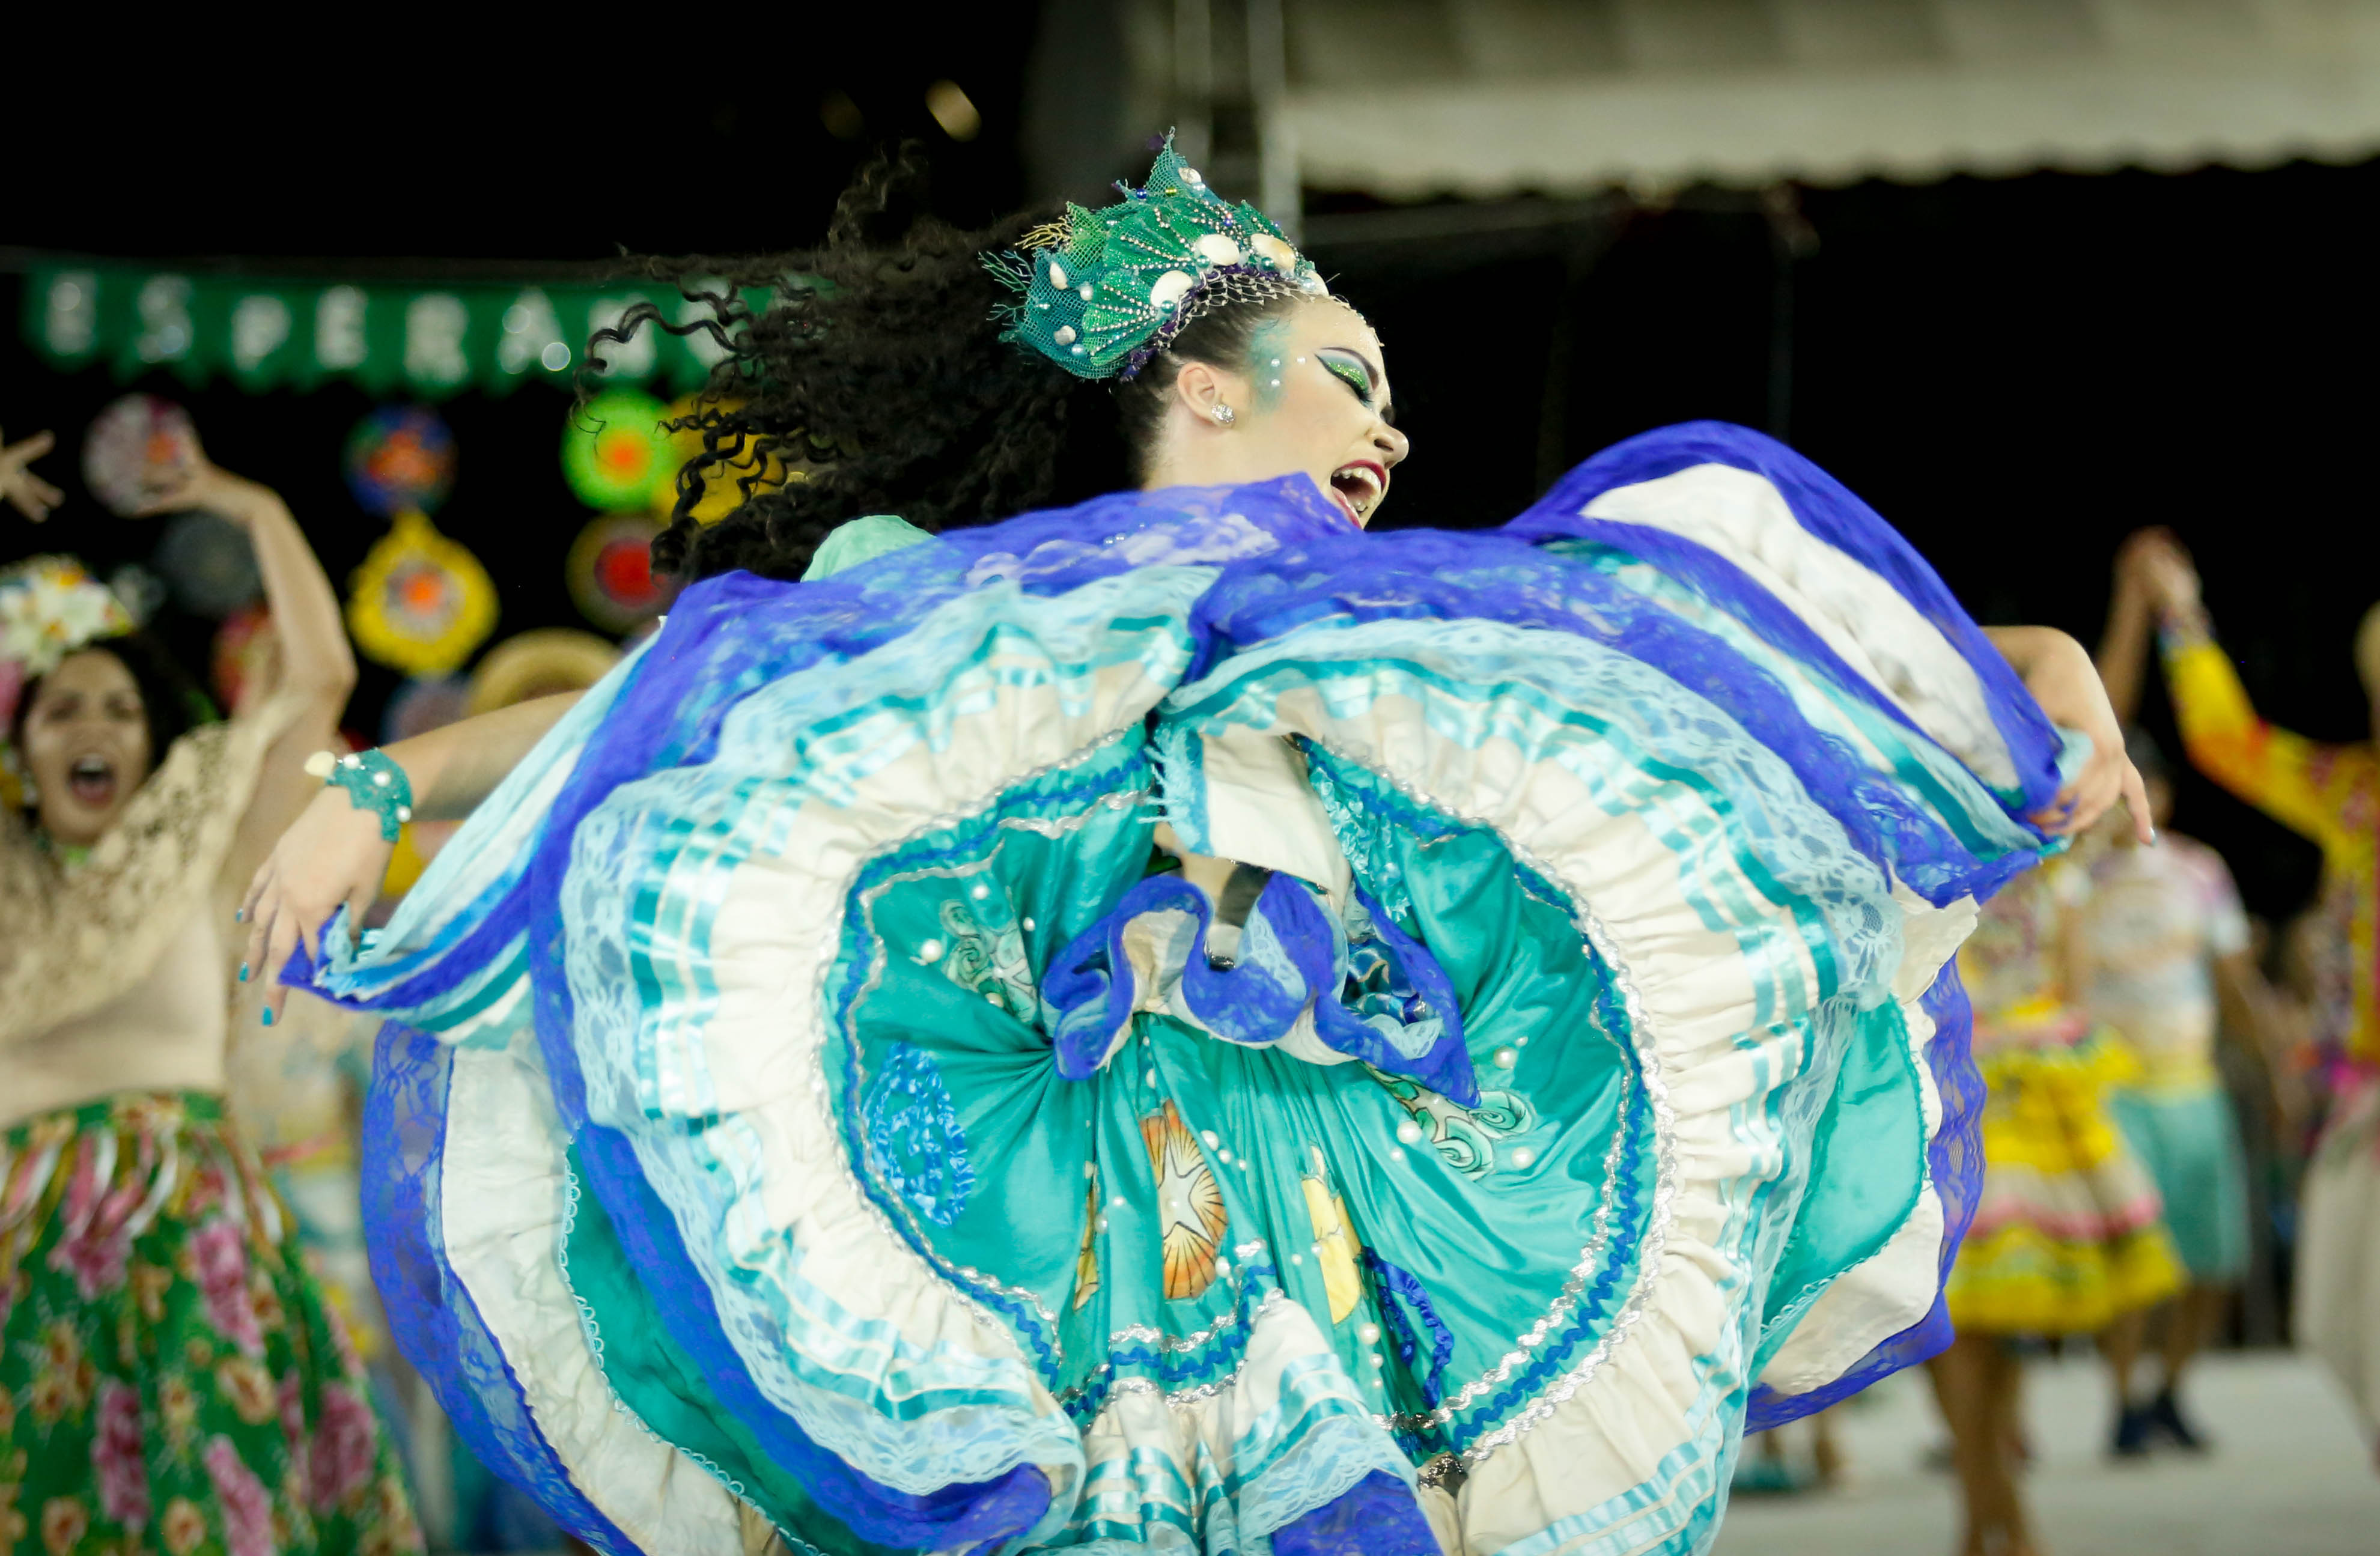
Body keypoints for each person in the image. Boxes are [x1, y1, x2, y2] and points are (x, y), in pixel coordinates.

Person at [243, 145, 2142, 1555]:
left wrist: (2053, 673)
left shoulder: (1417, 645)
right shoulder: (960, 616)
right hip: (1048, 1234)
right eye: (1352, 372)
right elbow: (657, 714)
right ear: (1209, 381)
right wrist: (379, 787)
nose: (1395, 430)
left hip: (1357, 1247)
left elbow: (1774, 666)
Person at [0, 436, 421, 1555]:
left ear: (153, 743)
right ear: (20, 748)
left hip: (185, 1240)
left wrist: (256, 504)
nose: (92, 727)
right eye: (60, 710)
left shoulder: (202, 850)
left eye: (119, 708)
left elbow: (321, 678)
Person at [2121, 526, 2380, 1469]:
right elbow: (2227, 742)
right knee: (2337, 1323)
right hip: (2362, 1100)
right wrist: (2181, 617)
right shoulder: (2353, 793)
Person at [1935, 843, 2183, 1554]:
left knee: (1986, 1322)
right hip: (1980, 1101)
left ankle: (1989, 1515)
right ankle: (1995, 1517)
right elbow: (2075, 994)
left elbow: (2076, 994)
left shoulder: (1994, 875)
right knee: (1971, 1325)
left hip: (2002, 1104)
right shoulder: (2034, 878)